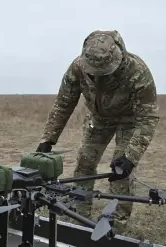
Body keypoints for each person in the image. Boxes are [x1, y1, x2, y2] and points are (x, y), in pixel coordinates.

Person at [36, 30, 159, 231]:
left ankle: (115, 226)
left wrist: (131, 156)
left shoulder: (138, 72)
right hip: (99, 119)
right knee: (85, 163)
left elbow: (148, 117)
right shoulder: (77, 68)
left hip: (130, 121)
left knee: (121, 173)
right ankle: (78, 215)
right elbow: (63, 104)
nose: (97, 76)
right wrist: (48, 139)